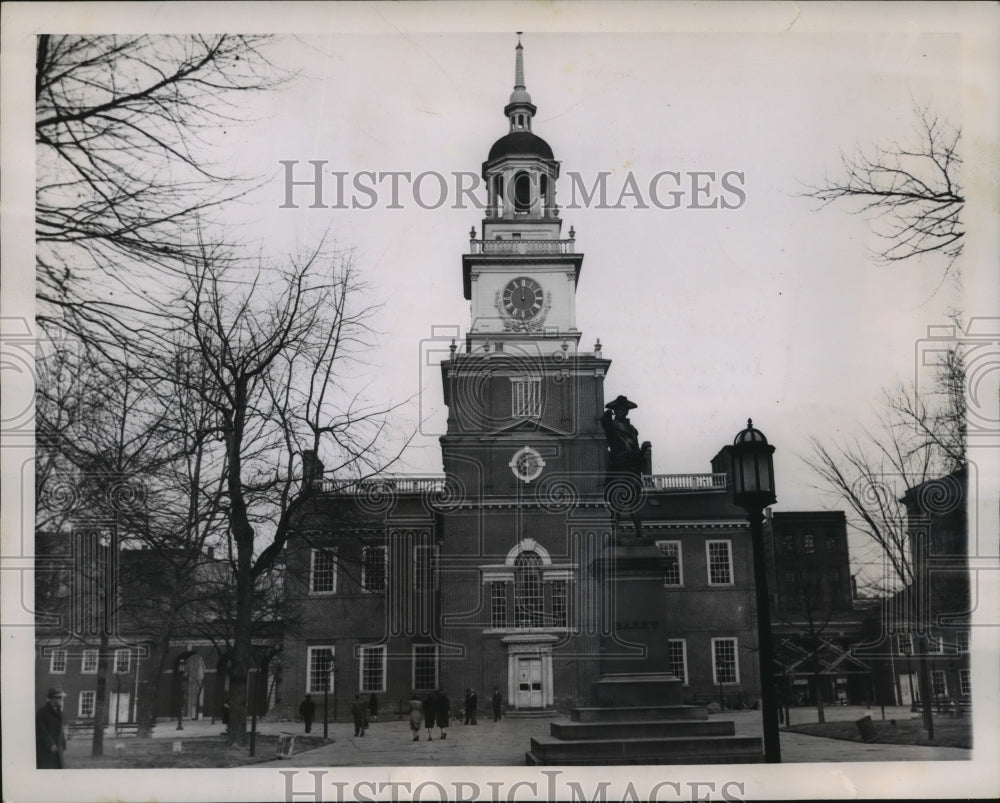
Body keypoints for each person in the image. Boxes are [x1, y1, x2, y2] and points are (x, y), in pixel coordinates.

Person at [36, 687, 67, 769]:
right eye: (59, 697)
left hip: (58, 748)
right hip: (46, 749)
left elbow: (60, 729)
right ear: (52, 698)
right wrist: (51, 744)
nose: (61, 699)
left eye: (61, 697)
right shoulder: (42, 712)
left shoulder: (59, 711)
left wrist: (63, 742)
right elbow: (41, 730)